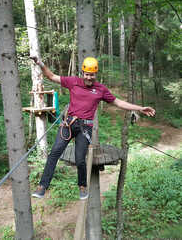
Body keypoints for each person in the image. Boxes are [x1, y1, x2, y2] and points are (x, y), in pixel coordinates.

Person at [30, 56, 155, 200]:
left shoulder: (100, 89)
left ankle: (82, 185)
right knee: (54, 153)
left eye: (92, 74)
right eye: (87, 74)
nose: (89, 77)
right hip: (69, 124)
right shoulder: (73, 82)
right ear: (82, 73)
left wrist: (140, 108)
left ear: (96, 74)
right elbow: (51, 76)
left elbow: (118, 103)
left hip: (85, 127)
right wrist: (40, 63)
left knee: (80, 159)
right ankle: (42, 186)